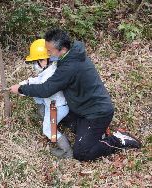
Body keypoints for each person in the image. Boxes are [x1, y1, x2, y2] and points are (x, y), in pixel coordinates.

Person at [10, 28, 141, 161]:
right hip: (82, 109)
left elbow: (46, 90)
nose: (48, 55)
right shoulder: (71, 55)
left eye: (49, 51)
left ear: (62, 49)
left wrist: (21, 89)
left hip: (97, 113)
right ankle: (96, 133)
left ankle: (117, 140)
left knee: (82, 153)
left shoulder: (70, 67)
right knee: (63, 116)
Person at [18, 39, 73, 158]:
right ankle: (42, 114)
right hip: (53, 104)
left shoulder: (50, 74)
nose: (36, 64)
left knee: (48, 130)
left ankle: (66, 151)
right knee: (35, 93)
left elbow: (41, 89)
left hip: (56, 107)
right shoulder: (49, 70)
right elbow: (37, 80)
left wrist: (22, 89)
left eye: (39, 60)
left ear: (48, 59)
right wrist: (25, 83)